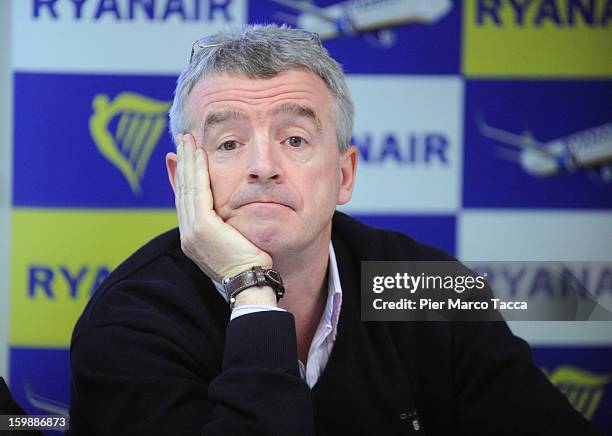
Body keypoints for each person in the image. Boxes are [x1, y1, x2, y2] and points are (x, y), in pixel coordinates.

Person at [67, 24, 600, 435]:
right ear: (182, 176)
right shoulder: (130, 324)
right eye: (229, 143)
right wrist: (252, 291)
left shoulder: (424, 286)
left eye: (295, 139)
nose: (264, 166)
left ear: (344, 174)